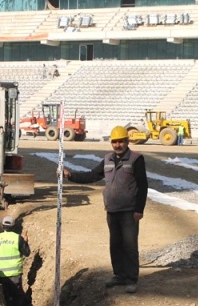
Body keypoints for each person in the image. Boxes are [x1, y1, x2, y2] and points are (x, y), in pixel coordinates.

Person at [60, 126, 148, 293]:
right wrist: (70, 175)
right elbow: (92, 176)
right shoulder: (107, 159)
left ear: (127, 141)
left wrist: (139, 209)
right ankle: (119, 275)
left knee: (129, 245)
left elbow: (143, 185)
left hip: (129, 211)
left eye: (121, 141)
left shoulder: (136, 159)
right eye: (114, 142)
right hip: (112, 210)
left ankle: (131, 279)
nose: (117, 145)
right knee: (115, 244)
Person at [0, 215, 31, 306]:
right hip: (15, 274)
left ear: (3, 226)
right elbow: (27, 253)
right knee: (17, 297)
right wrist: (25, 242)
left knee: (5, 297)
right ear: (14, 226)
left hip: (0, 274)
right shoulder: (18, 238)